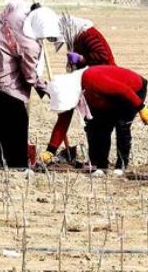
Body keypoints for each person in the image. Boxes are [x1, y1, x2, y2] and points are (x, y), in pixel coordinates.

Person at [0, 0, 62, 168]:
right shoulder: (30, 45)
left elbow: (8, 8)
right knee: (18, 121)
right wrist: (47, 89)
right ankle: (17, 163)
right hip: (3, 81)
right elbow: (30, 76)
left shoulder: (18, 11)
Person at [42, 15, 127, 172]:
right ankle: (97, 162)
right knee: (92, 125)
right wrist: (50, 150)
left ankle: (116, 164)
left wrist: (81, 59)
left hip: (105, 81)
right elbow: (64, 119)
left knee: (107, 125)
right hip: (88, 82)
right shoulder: (74, 38)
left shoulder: (89, 35)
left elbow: (103, 58)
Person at [45, 65, 148, 173]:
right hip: (109, 98)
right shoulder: (72, 95)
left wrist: (141, 108)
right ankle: (101, 166)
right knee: (101, 127)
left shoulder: (91, 79)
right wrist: (50, 150)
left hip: (133, 89)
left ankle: (121, 165)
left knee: (122, 125)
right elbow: (62, 123)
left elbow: (124, 90)